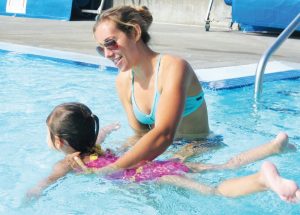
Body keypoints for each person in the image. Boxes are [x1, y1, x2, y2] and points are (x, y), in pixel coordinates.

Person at [27, 102, 300, 202]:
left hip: (149, 176)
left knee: (215, 190)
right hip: (153, 164)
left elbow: (47, 182)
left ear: (60, 141)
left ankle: (263, 180)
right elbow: (95, 136)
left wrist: (33, 193)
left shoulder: (70, 162)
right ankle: (273, 147)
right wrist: (106, 131)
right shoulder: (95, 146)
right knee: (223, 167)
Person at [92, 5, 210, 169]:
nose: (106, 54)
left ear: (134, 32)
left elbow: (164, 135)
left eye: (110, 43)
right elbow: (141, 135)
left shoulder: (174, 67)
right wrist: (109, 155)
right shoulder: (123, 82)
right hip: (162, 150)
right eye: (101, 48)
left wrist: (111, 169)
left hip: (198, 147)